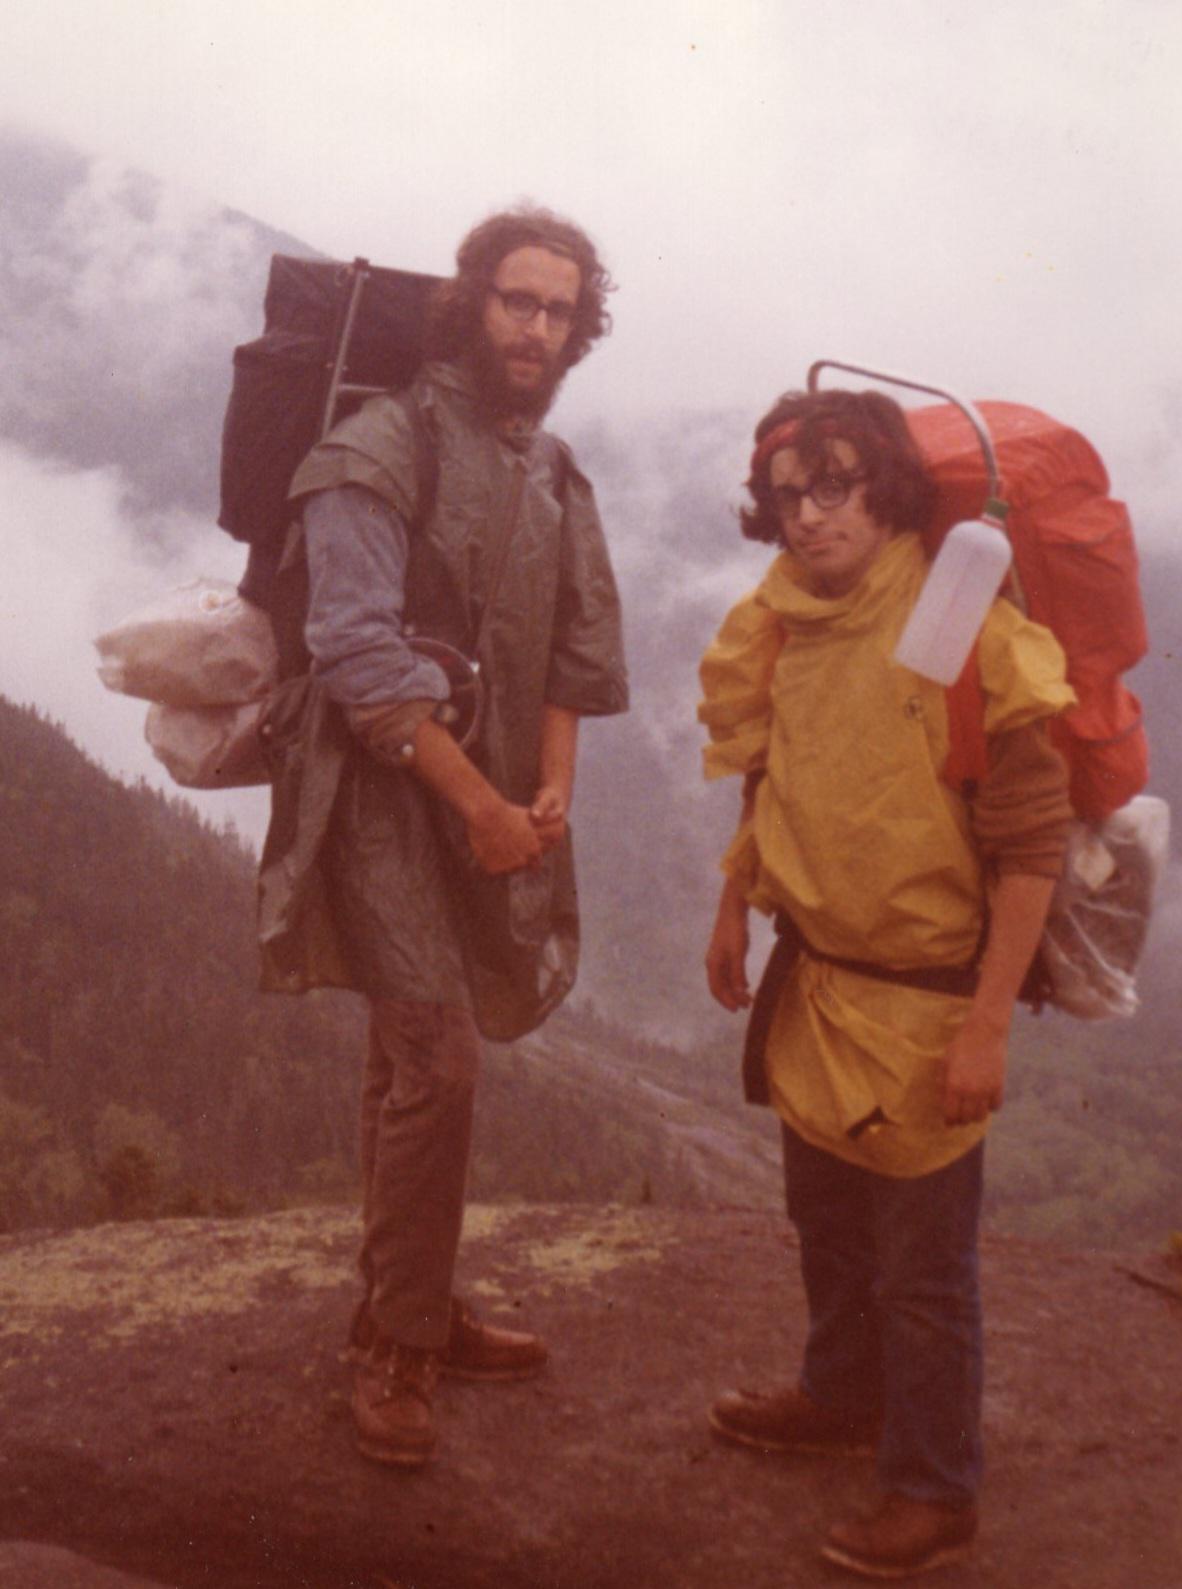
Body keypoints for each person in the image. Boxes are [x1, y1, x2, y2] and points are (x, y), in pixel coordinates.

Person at [256, 206, 628, 1467]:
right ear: (470, 304)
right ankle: (397, 1345)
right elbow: (355, 653)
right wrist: (478, 803)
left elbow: (580, 649)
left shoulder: (553, 466)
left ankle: (404, 1297)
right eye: (517, 300)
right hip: (377, 800)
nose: (536, 326)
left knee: (406, 1057)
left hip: (490, 794)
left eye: (559, 309)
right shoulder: (383, 441)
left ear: (582, 328)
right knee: (440, 1057)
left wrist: (551, 790)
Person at [697, 387, 1074, 1577]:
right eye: (790, 492)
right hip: (817, 979)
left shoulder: (966, 627)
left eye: (839, 487)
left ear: (891, 490)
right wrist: (732, 904)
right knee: (830, 1224)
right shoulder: (789, 614)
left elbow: (1031, 850)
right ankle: (839, 1395)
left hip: (922, 997)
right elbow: (776, 769)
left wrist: (987, 1029)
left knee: (921, 1270)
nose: (810, 517)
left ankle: (933, 1487)